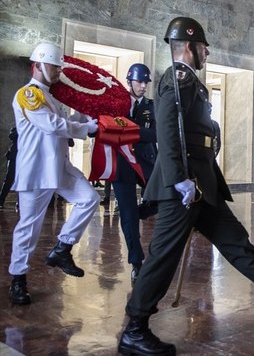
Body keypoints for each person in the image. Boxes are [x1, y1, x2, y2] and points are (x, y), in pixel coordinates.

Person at [118, 17, 254, 356]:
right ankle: (135, 329)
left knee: (234, 239)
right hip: (183, 188)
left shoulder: (191, 81)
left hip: (201, 184)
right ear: (188, 46)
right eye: (203, 46)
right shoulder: (178, 76)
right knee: (162, 258)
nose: (207, 51)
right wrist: (178, 178)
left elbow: (197, 131)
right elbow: (169, 129)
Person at [8, 41, 100, 305]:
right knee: (29, 228)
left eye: (59, 65)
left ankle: (63, 248)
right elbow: (52, 125)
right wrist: (84, 129)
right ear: (37, 66)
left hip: (59, 167)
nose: (58, 70)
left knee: (89, 199)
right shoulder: (28, 94)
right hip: (36, 171)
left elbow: (66, 124)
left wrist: (87, 117)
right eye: (53, 65)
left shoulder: (51, 96)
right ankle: (18, 279)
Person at [112, 63, 158, 285]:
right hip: (121, 166)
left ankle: (141, 212)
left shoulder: (152, 106)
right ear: (129, 81)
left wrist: (132, 132)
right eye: (139, 82)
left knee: (163, 199)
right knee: (128, 216)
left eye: (145, 82)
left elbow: (158, 134)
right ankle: (136, 263)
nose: (143, 86)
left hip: (147, 163)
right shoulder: (116, 103)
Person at [0, 126, 18, 210]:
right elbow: (11, 136)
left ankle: (20, 203)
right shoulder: (18, 126)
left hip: (26, 158)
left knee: (22, 181)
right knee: (9, 179)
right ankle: (1, 200)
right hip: (14, 156)